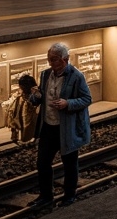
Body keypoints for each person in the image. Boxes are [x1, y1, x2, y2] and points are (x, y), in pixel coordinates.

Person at [28, 43, 91, 208]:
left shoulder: (77, 76)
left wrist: (67, 103)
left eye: (54, 60)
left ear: (65, 60)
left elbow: (86, 99)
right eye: (49, 59)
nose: (50, 63)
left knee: (69, 164)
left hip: (67, 128)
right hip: (48, 126)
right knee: (42, 163)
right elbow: (41, 96)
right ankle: (45, 196)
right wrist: (35, 96)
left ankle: (69, 195)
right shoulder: (45, 75)